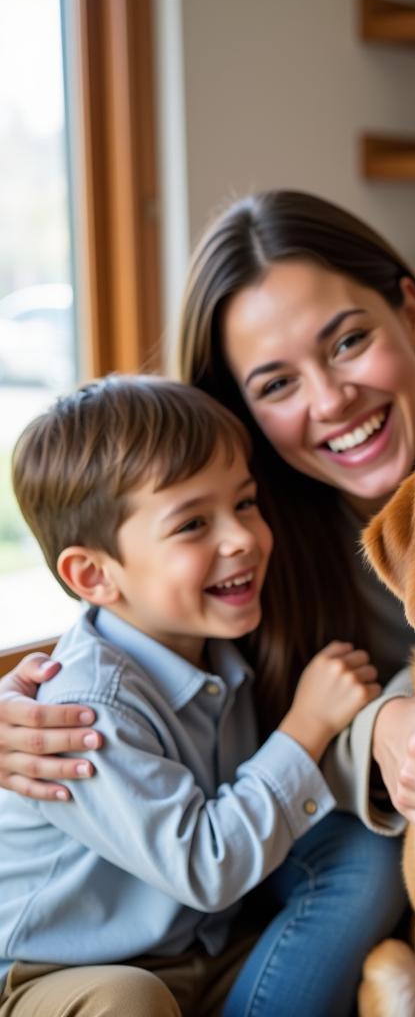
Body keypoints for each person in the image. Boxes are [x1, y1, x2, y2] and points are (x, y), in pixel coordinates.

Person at [0, 190, 415, 1013]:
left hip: (224, 919)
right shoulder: (244, 568)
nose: (330, 401)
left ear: (412, 312)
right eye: (277, 382)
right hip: (134, 941)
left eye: (349, 341)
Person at [0, 375, 380, 1016]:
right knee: (128, 1000)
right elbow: (206, 865)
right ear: (93, 574)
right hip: (59, 975)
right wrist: (306, 727)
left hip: (198, 947)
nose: (242, 539)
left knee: (370, 849)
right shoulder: (86, 709)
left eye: (247, 503)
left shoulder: (215, 649)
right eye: (193, 524)